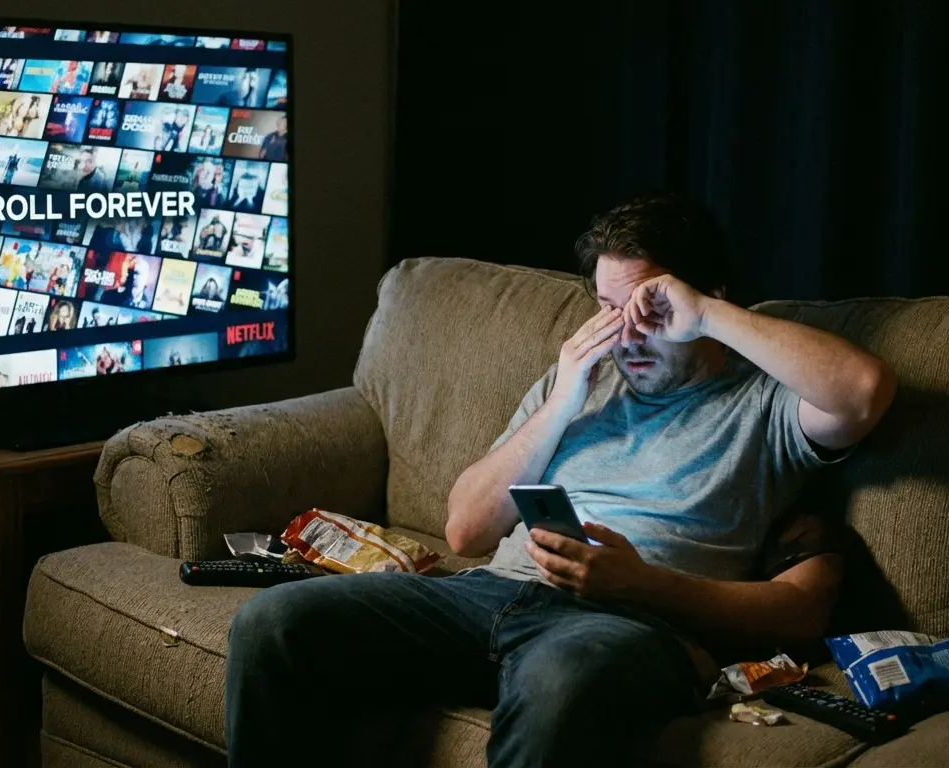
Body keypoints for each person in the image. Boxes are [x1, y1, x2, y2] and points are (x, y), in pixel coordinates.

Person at [223, 192, 898, 767]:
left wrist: (705, 316)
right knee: (276, 622)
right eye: (609, 308)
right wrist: (564, 398)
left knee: (561, 682)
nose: (624, 334)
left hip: (625, 624)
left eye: (648, 310)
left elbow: (864, 391)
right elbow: (466, 527)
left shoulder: (765, 403)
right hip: (489, 594)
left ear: (705, 297)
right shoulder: (578, 379)